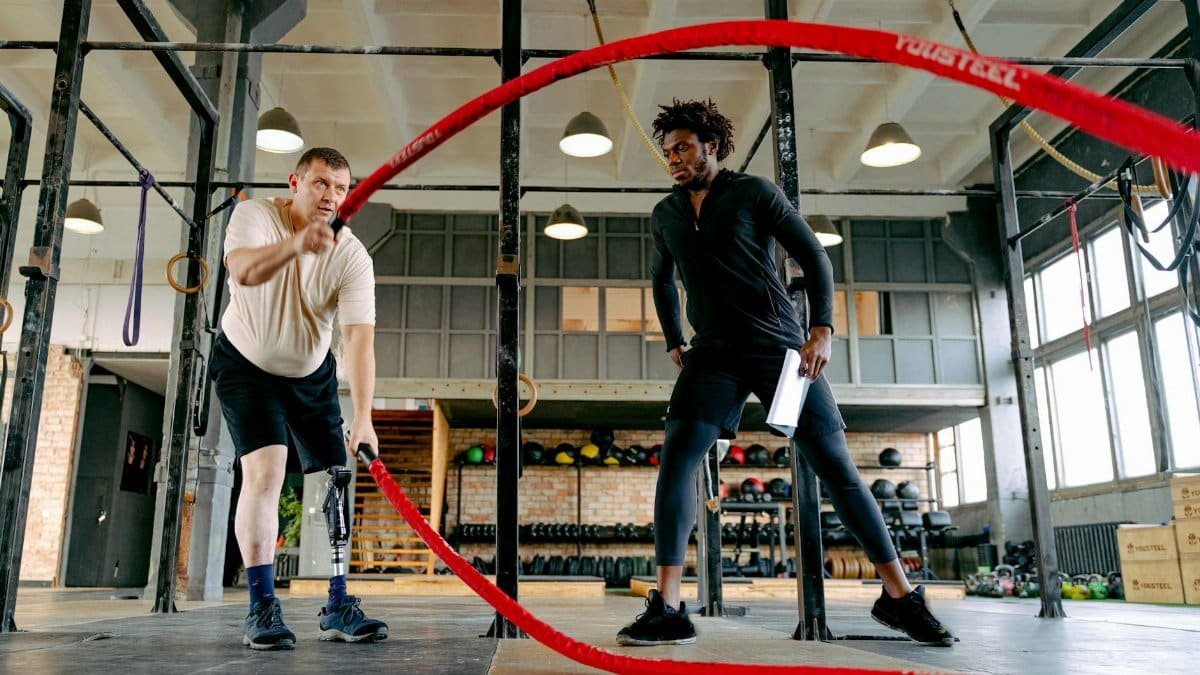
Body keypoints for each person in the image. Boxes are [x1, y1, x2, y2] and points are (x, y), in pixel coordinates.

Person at [616, 100, 954, 648]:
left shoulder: (754, 193)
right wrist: (675, 338)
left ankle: (900, 597)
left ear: (712, 147)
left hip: (780, 348)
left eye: (683, 147)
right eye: (668, 150)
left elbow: (813, 256)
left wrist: (822, 327)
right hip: (713, 355)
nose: (673, 158)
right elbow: (661, 279)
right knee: (677, 460)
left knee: (837, 468)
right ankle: (669, 606)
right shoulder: (667, 213)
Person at [212, 147, 387, 650]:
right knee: (266, 472)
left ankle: (337, 604)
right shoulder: (254, 216)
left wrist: (365, 416)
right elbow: (243, 271)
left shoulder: (352, 255)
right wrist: (297, 246)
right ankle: (262, 607)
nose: (330, 195)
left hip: (311, 374)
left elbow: (358, 339)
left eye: (339, 187)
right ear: (295, 182)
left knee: (337, 478)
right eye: (319, 183)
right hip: (247, 365)